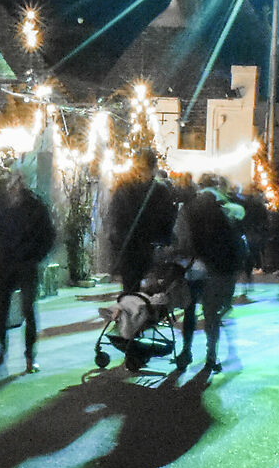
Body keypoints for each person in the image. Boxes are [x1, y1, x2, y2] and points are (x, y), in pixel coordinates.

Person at [0, 173, 57, 372]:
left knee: (28, 310)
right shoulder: (0, 203)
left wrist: (36, 257)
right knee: (1, 310)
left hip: (26, 263)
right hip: (6, 262)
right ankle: (0, 352)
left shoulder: (35, 205)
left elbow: (48, 234)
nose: (14, 186)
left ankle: (30, 356)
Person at [174, 187, 247, 370]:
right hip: (214, 271)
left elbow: (182, 241)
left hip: (193, 268)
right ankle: (211, 356)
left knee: (190, 312)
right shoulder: (221, 215)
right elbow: (233, 245)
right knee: (211, 315)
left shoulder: (188, 211)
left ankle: (186, 350)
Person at [101, 148, 180, 293]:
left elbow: (167, 219)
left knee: (141, 294)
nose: (139, 173)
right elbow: (115, 216)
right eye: (138, 168)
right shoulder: (130, 188)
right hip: (138, 251)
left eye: (142, 168)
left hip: (142, 251)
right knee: (138, 295)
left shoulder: (156, 190)